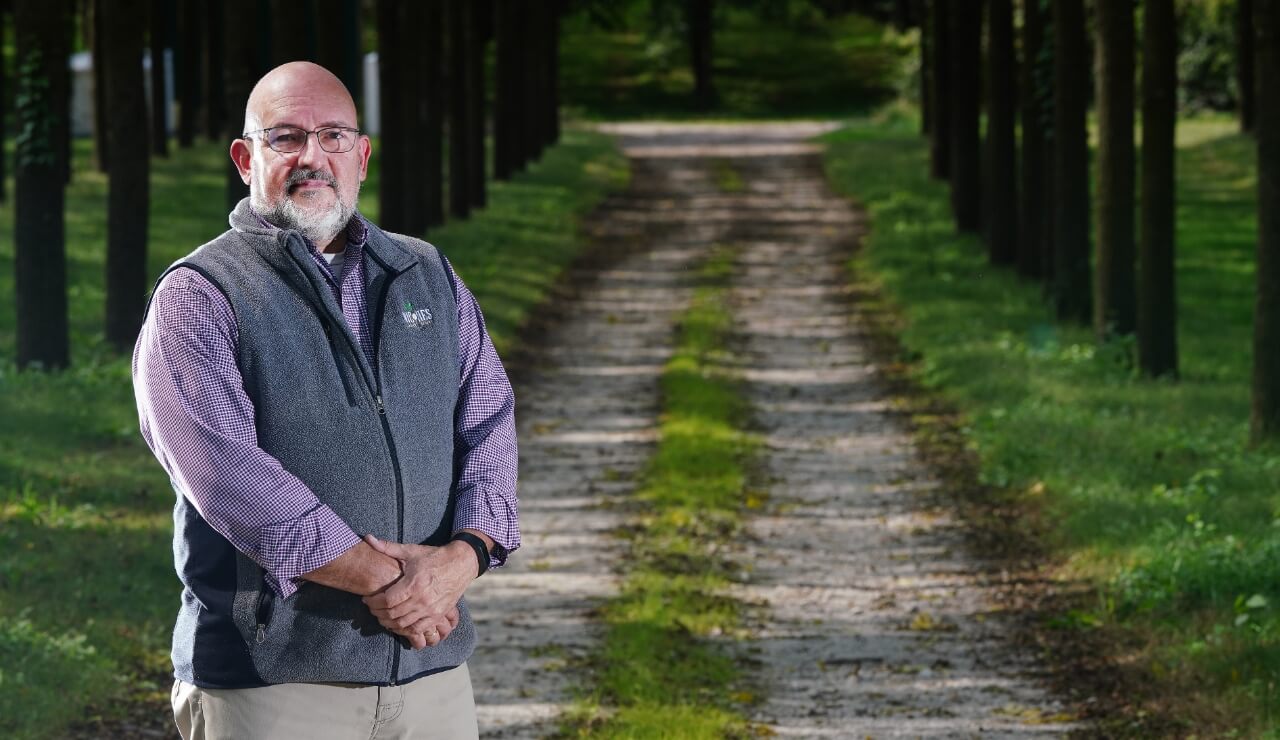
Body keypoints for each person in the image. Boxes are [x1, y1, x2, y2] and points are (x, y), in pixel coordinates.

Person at [132, 61, 519, 739]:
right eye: (286, 137)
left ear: (361, 156)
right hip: (273, 685)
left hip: (428, 671)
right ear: (245, 158)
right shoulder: (199, 297)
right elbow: (228, 478)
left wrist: (464, 558)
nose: (313, 156)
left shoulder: (425, 274)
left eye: (333, 136)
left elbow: (488, 422)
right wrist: (398, 582)